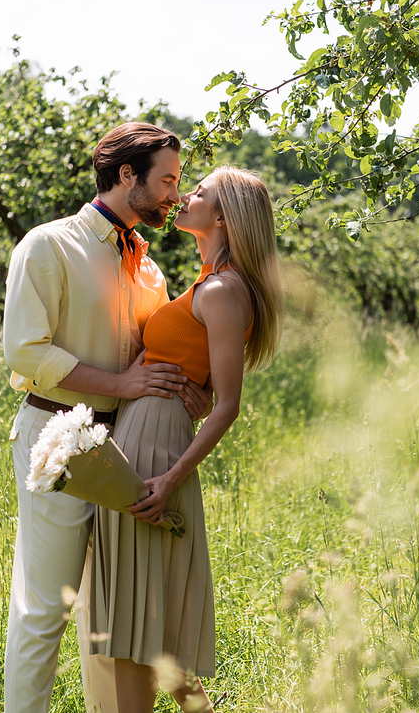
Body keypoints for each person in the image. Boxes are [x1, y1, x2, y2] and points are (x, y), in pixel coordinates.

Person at [2, 122, 211, 713]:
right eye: (167, 179)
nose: (176, 192)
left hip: (131, 449)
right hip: (58, 441)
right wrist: (120, 383)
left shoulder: (151, 270)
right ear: (127, 175)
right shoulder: (48, 246)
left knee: (109, 612)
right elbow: (26, 352)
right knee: (46, 606)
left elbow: (159, 357)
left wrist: (189, 391)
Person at [90, 166, 284, 713]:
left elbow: (228, 406)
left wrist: (172, 477)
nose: (184, 195)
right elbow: (195, 376)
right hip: (142, 433)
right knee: (144, 620)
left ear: (222, 216)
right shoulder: (204, 284)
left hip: (158, 453)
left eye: (199, 191)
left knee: (138, 622)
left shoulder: (223, 290)